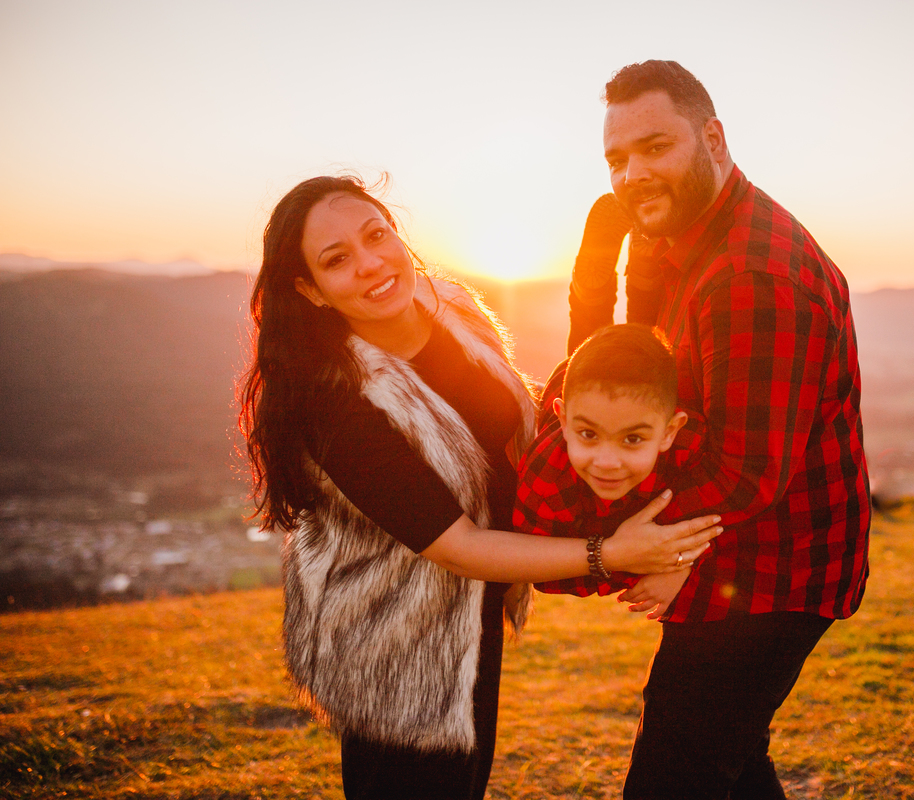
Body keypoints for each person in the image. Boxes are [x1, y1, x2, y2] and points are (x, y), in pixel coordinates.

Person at [238, 174, 722, 800]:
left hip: (474, 611)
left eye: (375, 235)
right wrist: (614, 554)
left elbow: (545, 418)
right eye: (337, 260)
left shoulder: (450, 308)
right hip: (395, 645)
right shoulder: (337, 404)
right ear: (310, 290)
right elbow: (459, 546)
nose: (370, 263)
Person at [570, 61, 872, 799]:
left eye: (655, 148)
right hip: (742, 550)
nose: (632, 174)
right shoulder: (691, 238)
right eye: (617, 160)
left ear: (713, 138)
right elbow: (632, 382)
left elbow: (744, 473)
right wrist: (601, 266)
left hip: (771, 570)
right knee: (728, 765)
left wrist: (656, 548)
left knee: (676, 774)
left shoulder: (750, 277)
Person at [514, 323, 705, 620]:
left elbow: (720, 523)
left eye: (632, 439)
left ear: (669, 432)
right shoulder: (547, 473)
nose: (607, 462)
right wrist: (625, 559)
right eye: (589, 434)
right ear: (564, 422)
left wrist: (681, 565)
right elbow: (540, 573)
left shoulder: (693, 448)